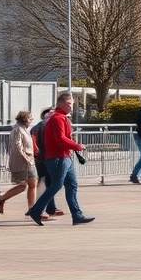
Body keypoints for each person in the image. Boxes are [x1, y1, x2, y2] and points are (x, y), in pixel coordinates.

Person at [27, 92, 94, 226]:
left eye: (72, 104)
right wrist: (77, 146)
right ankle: (36, 210)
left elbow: (63, 138)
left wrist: (74, 147)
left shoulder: (62, 118)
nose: (71, 107)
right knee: (56, 185)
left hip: (65, 157)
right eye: (68, 104)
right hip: (58, 158)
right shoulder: (58, 118)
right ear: (60, 104)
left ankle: (77, 215)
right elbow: (60, 139)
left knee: (71, 185)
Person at [0, 110, 39, 215]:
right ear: (24, 119)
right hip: (24, 162)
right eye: (29, 118)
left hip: (29, 160)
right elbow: (18, 146)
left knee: (29, 185)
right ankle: (31, 209)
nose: (31, 120)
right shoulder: (18, 130)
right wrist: (25, 158)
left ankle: (3, 199)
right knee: (29, 184)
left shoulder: (25, 129)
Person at [31, 108, 62, 219]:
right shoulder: (44, 128)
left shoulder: (38, 127)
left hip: (42, 158)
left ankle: (50, 208)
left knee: (49, 183)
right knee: (45, 184)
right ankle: (40, 210)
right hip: (45, 158)